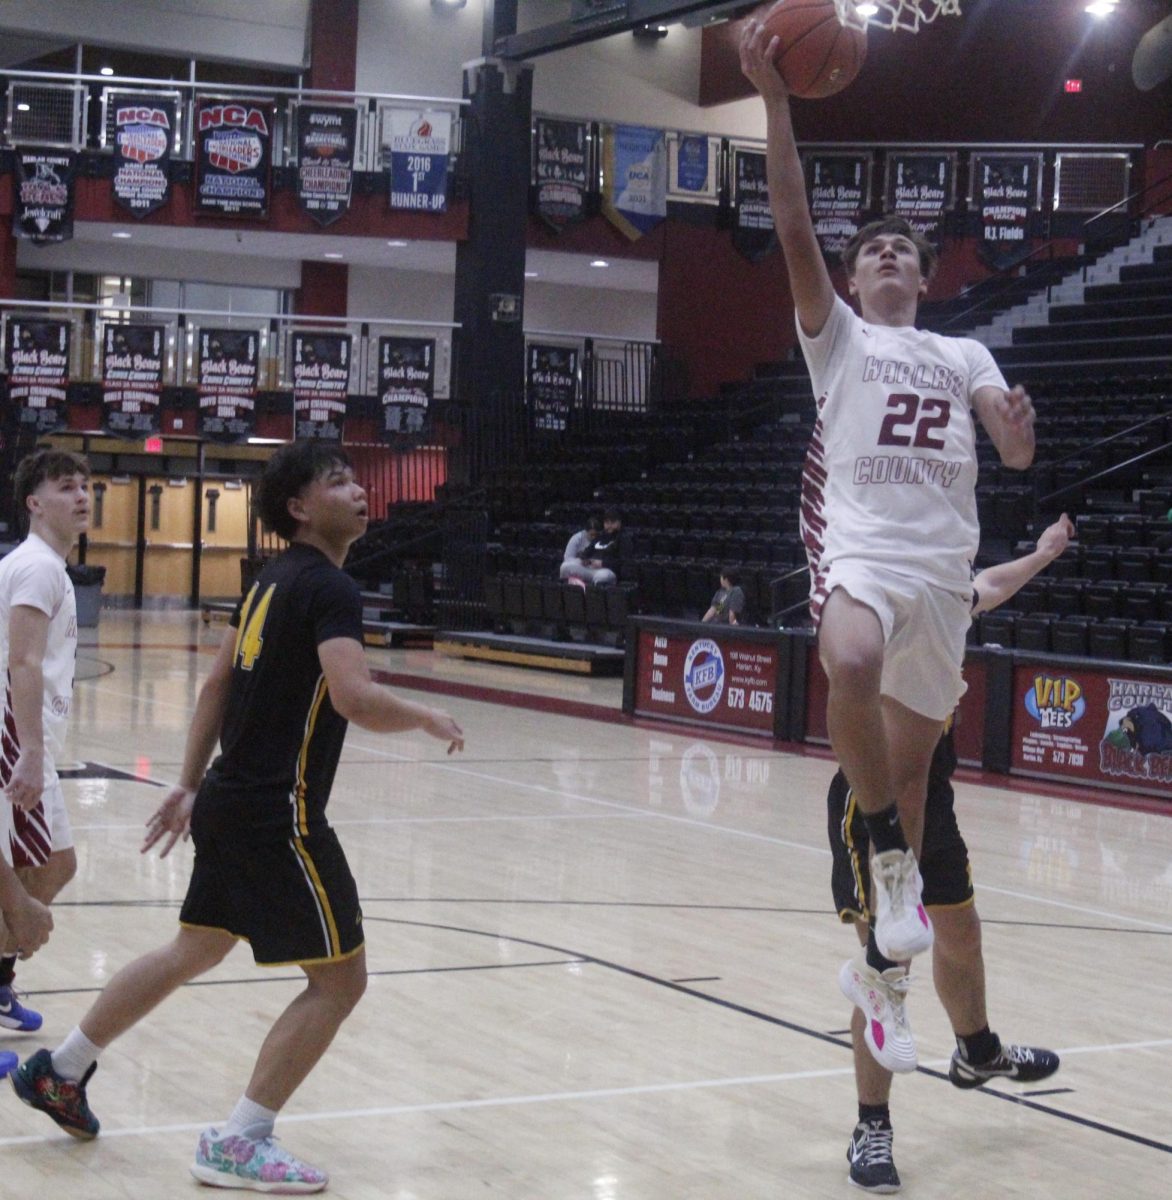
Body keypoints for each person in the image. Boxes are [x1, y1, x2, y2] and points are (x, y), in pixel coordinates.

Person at [12, 442, 464, 1194]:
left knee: (193, 948)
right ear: (299, 507)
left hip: (229, 798)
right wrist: (423, 715)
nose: (358, 492)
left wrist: (191, 786)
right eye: (339, 481)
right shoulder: (327, 587)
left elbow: (216, 682)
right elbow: (351, 694)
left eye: (357, 480)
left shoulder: (267, 582)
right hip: (277, 814)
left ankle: (60, 1070)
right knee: (339, 983)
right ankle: (240, 1138)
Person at [740, 14, 1036, 969]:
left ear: (924, 273)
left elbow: (1013, 450)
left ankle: (882, 958)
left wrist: (1017, 435)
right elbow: (792, 224)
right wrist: (777, 103)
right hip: (864, 555)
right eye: (870, 252)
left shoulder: (963, 351)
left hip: (944, 575)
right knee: (851, 659)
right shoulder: (840, 341)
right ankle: (886, 852)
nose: (886, 259)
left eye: (901, 251)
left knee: (913, 775)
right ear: (854, 281)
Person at [835, 515, 1073, 1192]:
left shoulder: (944, 595)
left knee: (960, 933)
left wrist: (1043, 553)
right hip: (875, 796)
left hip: (929, 788)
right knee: (888, 967)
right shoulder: (882, 604)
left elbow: (989, 586)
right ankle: (871, 1124)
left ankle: (977, 1052)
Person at [0, 449, 91, 1035]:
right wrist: (29, 749)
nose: (82, 496)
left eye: (86, 486)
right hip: (14, 732)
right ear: (35, 503)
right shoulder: (36, 568)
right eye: (66, 487)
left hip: (32, 735)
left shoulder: (46, 567)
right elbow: (23, 660)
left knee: (55, 864)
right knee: (19, 880)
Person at [559, 514, 612, 586]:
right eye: (591, 535)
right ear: (586, 532)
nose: (593, 537)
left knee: (605, 575)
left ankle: (594, 591)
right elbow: (568, 558)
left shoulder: (605, 539)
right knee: (564, 567)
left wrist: (598, 562)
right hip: (582, 568)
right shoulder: (577, 538)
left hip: (597, 570)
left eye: (596, 535)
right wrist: (581, 560)